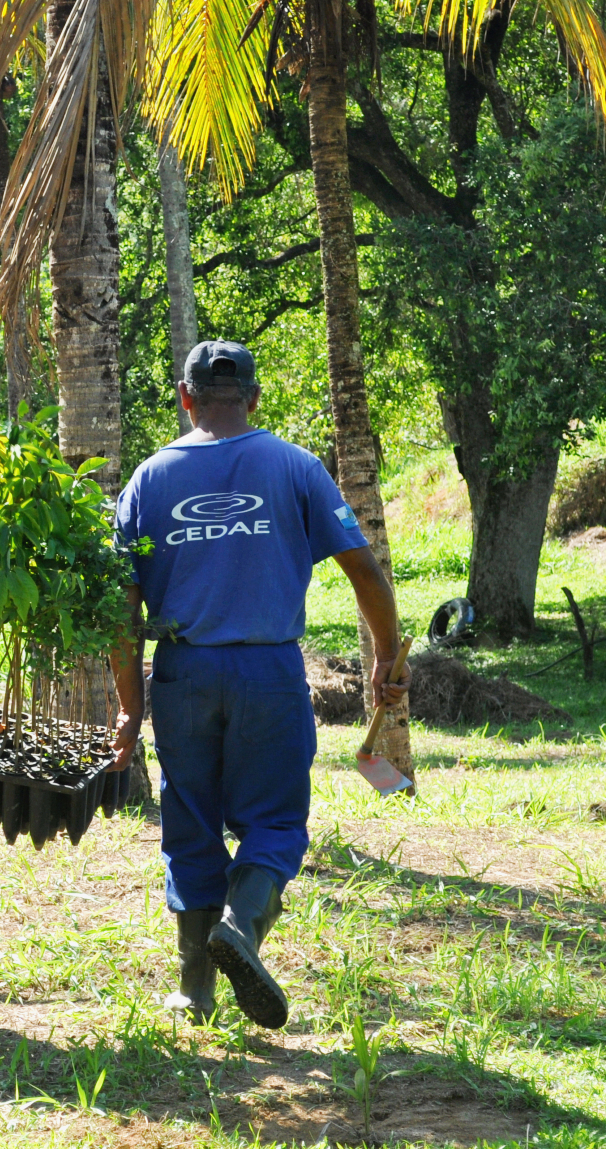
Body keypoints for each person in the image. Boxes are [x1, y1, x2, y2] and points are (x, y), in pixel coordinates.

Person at [109, 340, 408, 1030]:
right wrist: (386, 659)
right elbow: (363, 570)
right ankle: (241, 926)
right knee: (273, 821)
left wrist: (129, 707)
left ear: (184, 397)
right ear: (253, 397)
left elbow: (121, 610)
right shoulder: (295, 467)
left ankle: (195, 990)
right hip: (269, 671)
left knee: (189, 825)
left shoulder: (148, 480)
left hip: (182, 674)